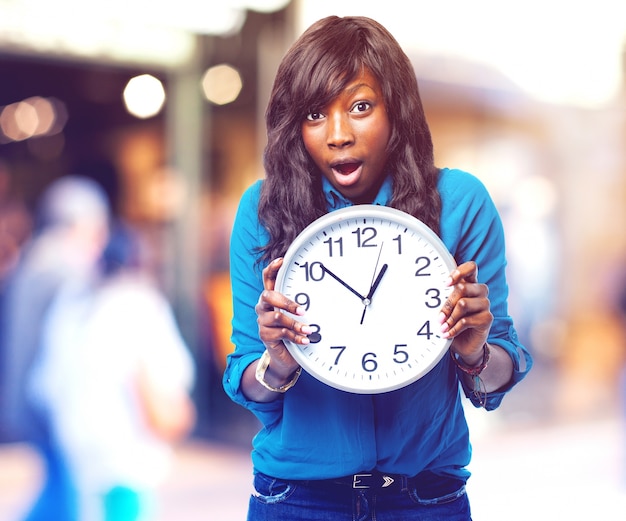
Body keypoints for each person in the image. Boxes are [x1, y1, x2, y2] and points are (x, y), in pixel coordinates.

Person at [223, 15, 533, 521]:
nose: (338, 135)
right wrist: (277, 361)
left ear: (398, 110)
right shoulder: (262, 211)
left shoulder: (459, 203)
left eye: (360, 107)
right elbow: (249, 382)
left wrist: (476, 350)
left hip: (425, 500)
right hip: (298, 500)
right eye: (315, 114)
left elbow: (498, 375)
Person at [28, 221, 197, 521]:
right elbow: (173, 375)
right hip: (127, 455)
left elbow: (43, 386)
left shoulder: (71, 307)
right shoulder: (140, 304)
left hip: (77, 453)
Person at [0, 175, 112, 521]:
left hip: (34, 400)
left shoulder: (37, 257)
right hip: (54, 405)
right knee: (64, 494)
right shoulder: (64, 265)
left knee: (59, 489)